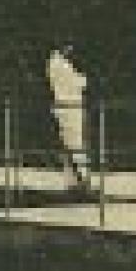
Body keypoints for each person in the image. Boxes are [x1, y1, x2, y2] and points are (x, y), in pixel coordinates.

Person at [46, 42, 93, 195]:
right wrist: (82, 78)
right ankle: (82, 180)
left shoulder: (59, 63)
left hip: (66, 106)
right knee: (75, 143)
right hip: (69, 107)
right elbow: (77, 83)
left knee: (69, 145)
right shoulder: (59, 65)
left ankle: (73, 181)